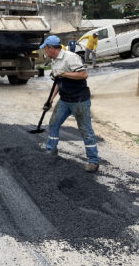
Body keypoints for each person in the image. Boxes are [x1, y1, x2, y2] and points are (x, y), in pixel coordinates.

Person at [40, 35, 99, 173]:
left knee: (85, 130)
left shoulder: (70, 57)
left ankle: (93, 161)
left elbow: (84, 75)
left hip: (79, 100)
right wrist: (50, 100)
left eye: (45, 49)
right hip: (65, 100)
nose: (44, 52)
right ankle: (51, 151)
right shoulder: (54, 61)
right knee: (53, 123)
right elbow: (58, 83)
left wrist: (64, 74)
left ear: (50, 48)